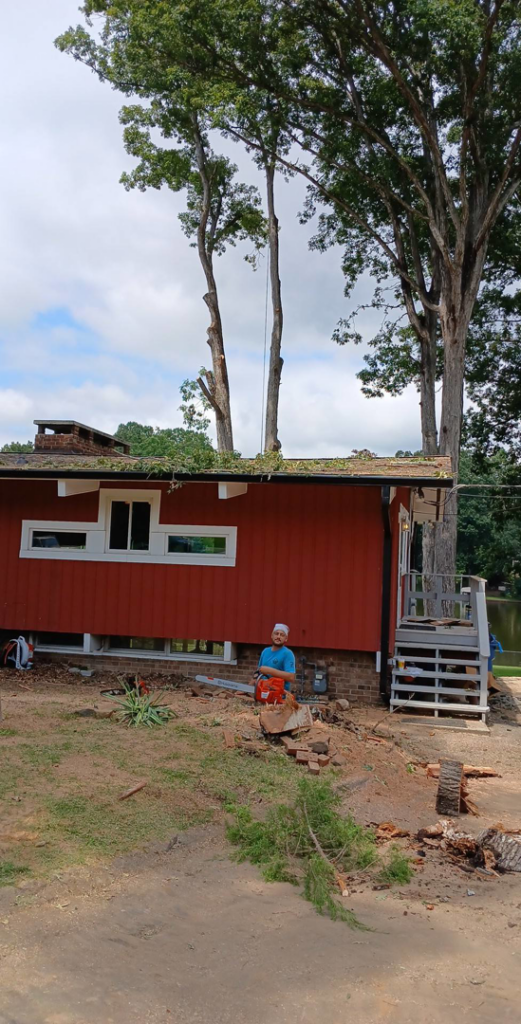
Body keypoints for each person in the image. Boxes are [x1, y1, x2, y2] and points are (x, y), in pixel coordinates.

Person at [256, 624, 296, 692]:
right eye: (276, 634)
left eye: (282, 635)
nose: (278, 636)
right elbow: (257, 674)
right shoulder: (265, 651)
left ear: (286, 639)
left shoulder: (287, 654)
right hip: (262, 691)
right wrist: (245, 690)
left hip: (279, 694)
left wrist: (269, 671)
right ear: (272, 635)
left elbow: (291, 677)